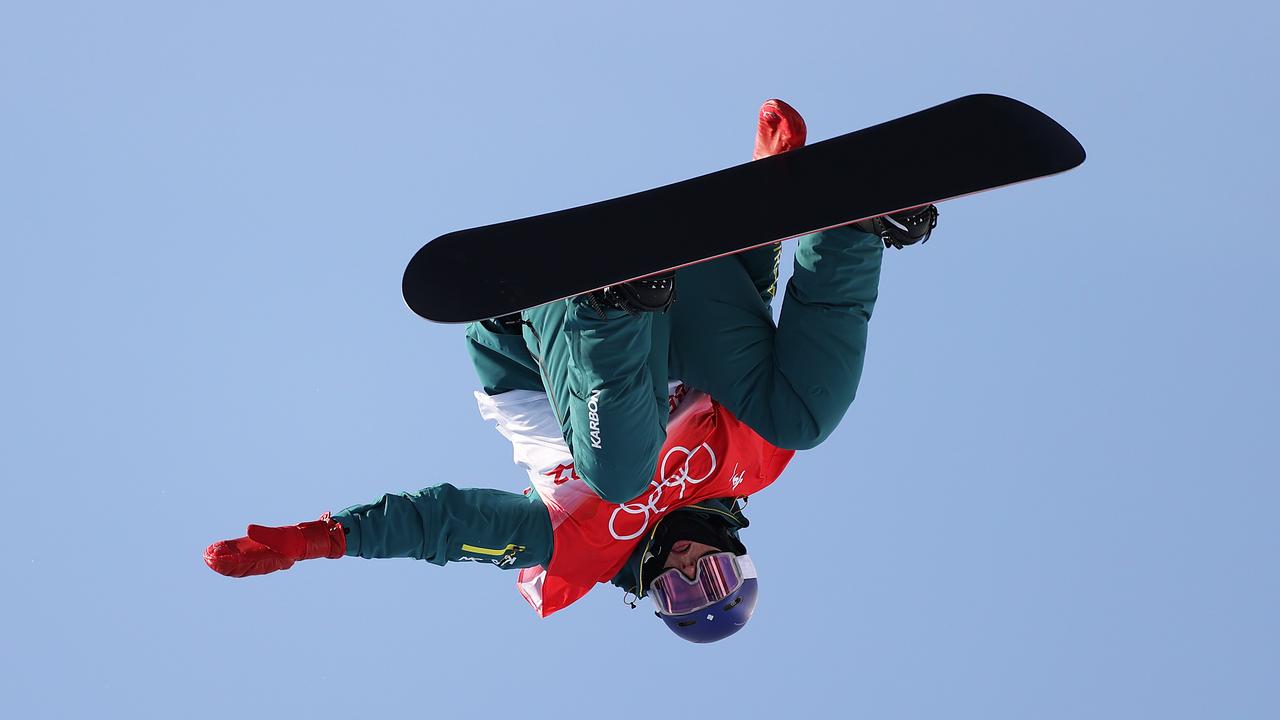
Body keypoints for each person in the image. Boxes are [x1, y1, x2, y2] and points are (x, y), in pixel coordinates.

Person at [204, 99, 938, 643]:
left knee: (621, 475)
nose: (686, 568)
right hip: (682, 298)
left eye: (681, 593)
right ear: (737, 559)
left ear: (654, 596)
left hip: (542, 337)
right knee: (801, 422)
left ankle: (607, 299)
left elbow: (448, 524)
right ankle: (853, 228)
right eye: (711, 578)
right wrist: (772, 199)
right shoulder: (752, 466)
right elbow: (753, 324)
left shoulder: (580, 550)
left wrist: (319, 539)